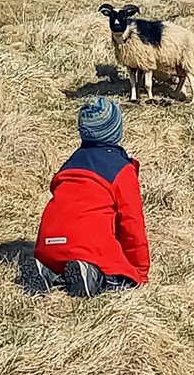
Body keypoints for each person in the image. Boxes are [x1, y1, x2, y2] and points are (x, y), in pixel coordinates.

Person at [33, 97, 150, 296]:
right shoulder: (121, 169)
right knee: (119, 276)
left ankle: (48, 271)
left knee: (62, 260)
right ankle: (91, 274)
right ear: (115, 131)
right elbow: (132, 224)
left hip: (48, 245)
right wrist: (140, 271)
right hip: (87, 248)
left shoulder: (70, 164)